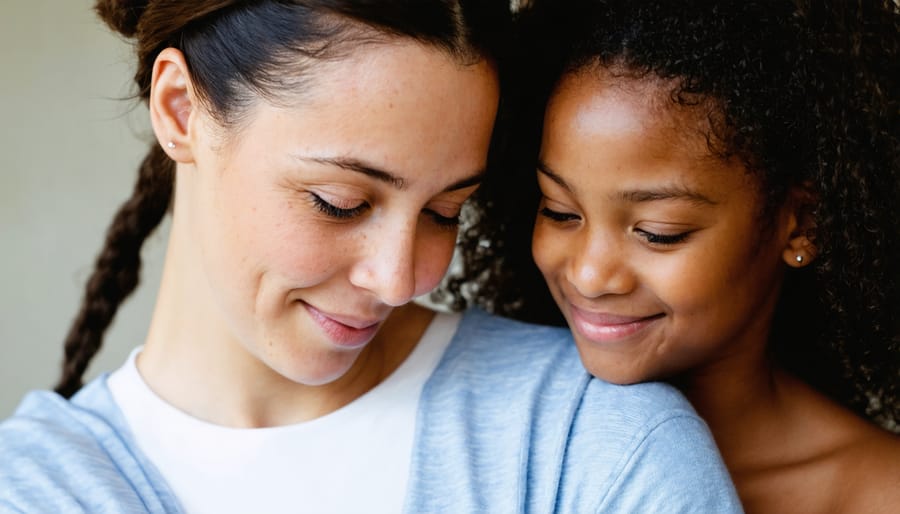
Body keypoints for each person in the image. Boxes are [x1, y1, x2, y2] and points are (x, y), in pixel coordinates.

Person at [0, 1, 743, 513]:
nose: (402, 277)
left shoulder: (586, 443)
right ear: (180, 111)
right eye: (341, 202)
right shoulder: (39, 487)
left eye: (445, 212)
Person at [450, 0, 900, 512]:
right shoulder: (490, 446)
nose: (591, 274)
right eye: (560, 212)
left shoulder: (879, 492)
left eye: (658, 233)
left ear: (801, 225)